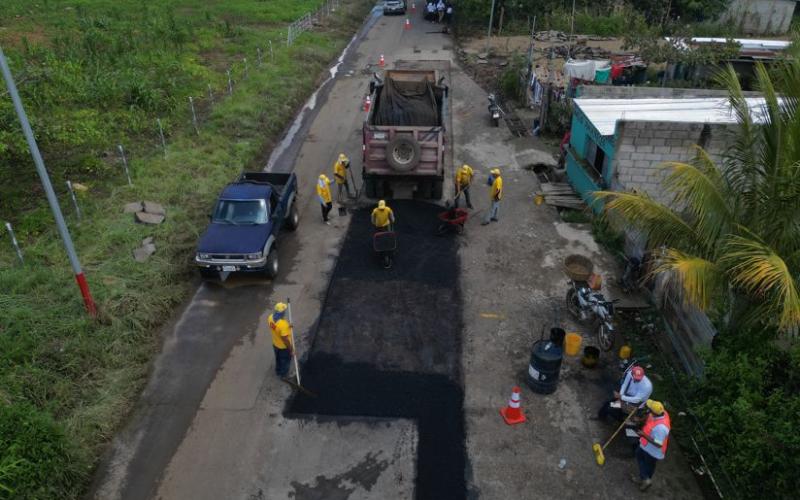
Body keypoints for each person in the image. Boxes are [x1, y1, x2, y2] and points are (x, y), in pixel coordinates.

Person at [632, 399, 671, 491]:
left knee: (648, 465)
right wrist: (640, 420)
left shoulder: (661, 428)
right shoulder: (661, 413)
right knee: (639, 455)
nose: (647, 409)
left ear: (653, 412)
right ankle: (645, 479)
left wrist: (643, 435)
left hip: (653, 450)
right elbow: (649, 417)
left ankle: (645, 479)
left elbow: (658, 444)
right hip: (645, 444)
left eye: (649, 409)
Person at [268, 303, 294, 379]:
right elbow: (285, 339)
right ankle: (284, 375)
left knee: (278, 358)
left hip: (275, 344)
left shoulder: (270, 317)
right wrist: (291, 349)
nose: (285, 312)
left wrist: (288, 327)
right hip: (283, 347)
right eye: (284, 311)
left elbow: (277, 328)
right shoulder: (283, 324)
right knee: (285, 361)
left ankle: (278, 371)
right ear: (281, 313)